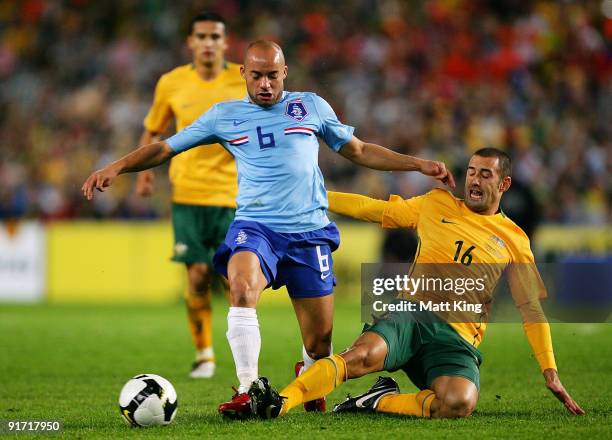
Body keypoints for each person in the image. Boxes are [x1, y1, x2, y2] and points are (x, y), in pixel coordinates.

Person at [81, 40, 454, 418]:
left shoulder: (310, 106)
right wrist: (115, 167)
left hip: (309, 233)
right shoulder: (224, 116)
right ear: (243, 73)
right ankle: (247, 388)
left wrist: (417, 164)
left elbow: (358, 150)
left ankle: (308, 375)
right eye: (256, 75)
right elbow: (165, 148)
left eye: (272, 76)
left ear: (285, 73)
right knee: (242, 287)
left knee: (320, 340)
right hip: (256, 227)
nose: (264, 84)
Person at [248, 148, 585, 419]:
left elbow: (530, 308)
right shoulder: (436, 203)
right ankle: (282, 401)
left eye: (486, 174)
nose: (475, 180)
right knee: (360, 356)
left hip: (456, 339)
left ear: (504, 184)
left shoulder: (515, 239)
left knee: (459, 403)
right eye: (471, 172)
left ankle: (377, 401)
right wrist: (315, 198)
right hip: (411, 315)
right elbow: (374, 208)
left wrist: (550, 371)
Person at [135, 12, 245, 379]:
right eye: (202, 36)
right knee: (197, 275)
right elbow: (153, 130)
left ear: (226, 42)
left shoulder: (243, 78)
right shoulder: (172, 83)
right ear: (191, 42)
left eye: (216, 36)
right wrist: (146, 174)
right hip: (187, 194)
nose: (209, 42)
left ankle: (244, 355)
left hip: (232, 195)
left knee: (235, 281)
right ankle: (204, 354)